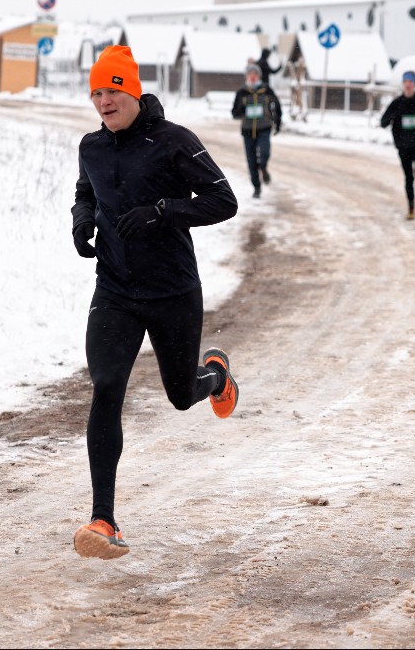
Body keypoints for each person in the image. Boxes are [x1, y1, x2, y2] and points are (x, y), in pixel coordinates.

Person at [70, 45, 240, 561]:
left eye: (111, 91)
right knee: (105, 388)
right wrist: (81, 221)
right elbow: (87, 193)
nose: (103, 101)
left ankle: (215, 376)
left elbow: (223, 201)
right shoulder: (91, 147)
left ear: (132, 90)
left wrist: (163, 211)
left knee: (180, 394)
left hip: (171, 291)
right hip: (116, 290)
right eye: (96, 92)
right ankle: (104, 519)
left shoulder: (174, 143)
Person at [380, 70, 415, 220]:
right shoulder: (397, 103)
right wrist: (389, 119)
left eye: (411, 82)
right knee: (408, 178)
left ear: (414, 84)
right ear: (403, 84)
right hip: (403, 146)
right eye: (406, 82)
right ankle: (411, 208)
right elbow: (383, 121)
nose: (408, 85)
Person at [231, 64, 282, 199]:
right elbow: (234, 113)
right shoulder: (241, 92)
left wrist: (278, 121)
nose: (252, 77)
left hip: (264, 128)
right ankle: (257, 187)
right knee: (251, 161)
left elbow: (276, 105)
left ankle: (264, 168)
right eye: (250, 74)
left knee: (264, 153)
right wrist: (241, 109)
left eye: (255, 74)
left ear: (259, 76)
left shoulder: (266, 90)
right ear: (247, 76)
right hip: (248, 131)